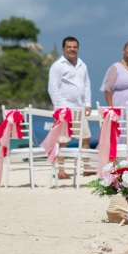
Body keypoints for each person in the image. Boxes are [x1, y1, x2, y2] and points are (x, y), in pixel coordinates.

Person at [47, 36, 93, 179]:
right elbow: (53, 88)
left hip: (79, 108)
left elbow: (86, 85)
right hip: (65, 109)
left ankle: (86, 167)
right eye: (69, 47)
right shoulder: (58, 65)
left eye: (74, 47)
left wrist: (88, 104)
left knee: (86, 137)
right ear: (63, 49)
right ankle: (61, 171)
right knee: (63, 140)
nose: (72, 49)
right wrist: (60, 108)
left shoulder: (82, 65)